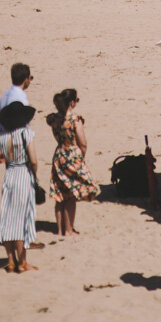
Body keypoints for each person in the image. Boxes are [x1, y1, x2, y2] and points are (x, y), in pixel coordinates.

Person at [0, 101, 40, 274]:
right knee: (22, 220)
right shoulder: (26, 133)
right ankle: (22, 262)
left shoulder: (2, 136)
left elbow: (4, 155)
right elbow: (33, 160)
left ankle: (11, 260)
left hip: (10, 174)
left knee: (7, 218)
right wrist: (34, 174)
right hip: (23, 173)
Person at [48, 88, 97, 236]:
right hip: (72, 154)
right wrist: (80, 156)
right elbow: (83, 143)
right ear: (71, 102)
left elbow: (57, 137)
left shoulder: (54, 120)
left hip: (59, 153)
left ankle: (60, 229)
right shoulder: (74, 120)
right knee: (71, 194)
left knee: (59, 193)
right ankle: (69, 230)